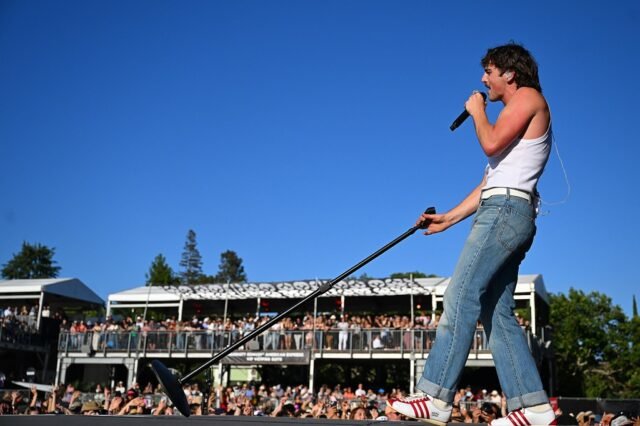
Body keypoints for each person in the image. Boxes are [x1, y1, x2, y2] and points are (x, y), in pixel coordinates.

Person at [389, 42, 556, 426]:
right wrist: (448, 218)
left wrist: (478, 112)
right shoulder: (517, 117)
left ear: (509, 74)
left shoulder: (528, 97)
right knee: (495, 311)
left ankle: (435, 395)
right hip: (506, 208)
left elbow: (490, 142)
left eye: (489, 72)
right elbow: (490, 183)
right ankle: (534, 407)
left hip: (506, 211)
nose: (482, 79)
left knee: (460, 294)